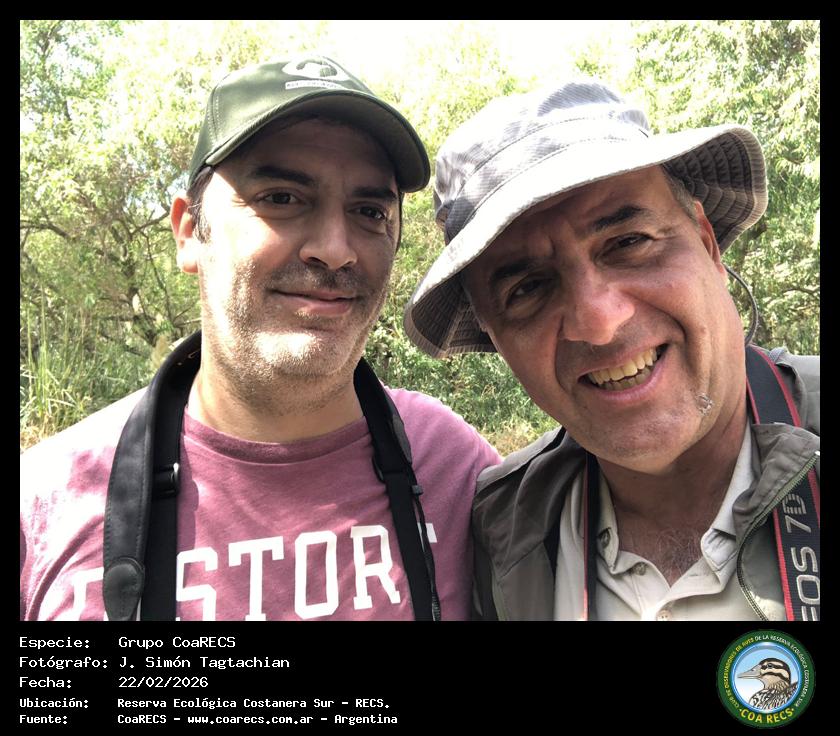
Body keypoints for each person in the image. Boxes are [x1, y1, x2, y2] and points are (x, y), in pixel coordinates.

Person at [20, 55, 500, 621]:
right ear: (189, 233)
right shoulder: (47, 503)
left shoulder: (455, 468)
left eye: (370, 211)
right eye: (281, 198)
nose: (335, 249)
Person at [405, 80, 819, 621]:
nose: (599, 324)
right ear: (496, 339)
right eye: (528, 288)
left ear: (707, 243)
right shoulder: (502, 530)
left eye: (628, 243)